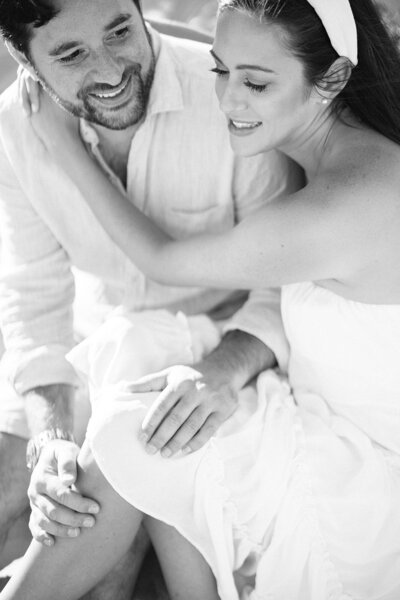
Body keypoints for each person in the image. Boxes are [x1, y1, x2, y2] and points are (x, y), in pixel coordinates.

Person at [2, 0, 400, 598]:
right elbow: (31, 299)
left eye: (254, 81)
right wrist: (48, 435)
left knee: (137, 423)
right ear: (24, 63)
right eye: (222, 71)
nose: (229, 100)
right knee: (128, 397)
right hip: (260, 391)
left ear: (335, 76)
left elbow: (167, 261)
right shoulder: (307, 139)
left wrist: (66, 150)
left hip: (346, 450)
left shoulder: (332, 196)